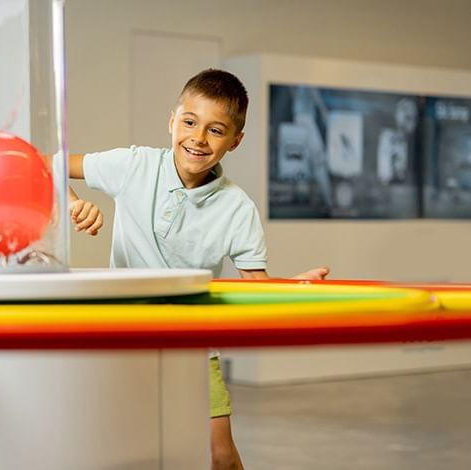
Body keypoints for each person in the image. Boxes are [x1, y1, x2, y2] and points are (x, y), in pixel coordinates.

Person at [68, 69, 329, 470]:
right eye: (190, 122)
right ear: (172, 120)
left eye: (216, 130)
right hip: (124, 334)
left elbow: (255, 287)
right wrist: (73, 203)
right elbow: (45, 165)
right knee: (117, 449)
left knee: (219, 455)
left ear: (235, 141)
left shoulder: (237, 207)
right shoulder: (133, 165)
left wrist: (293, 288)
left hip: (192, 343)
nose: (198, 138)